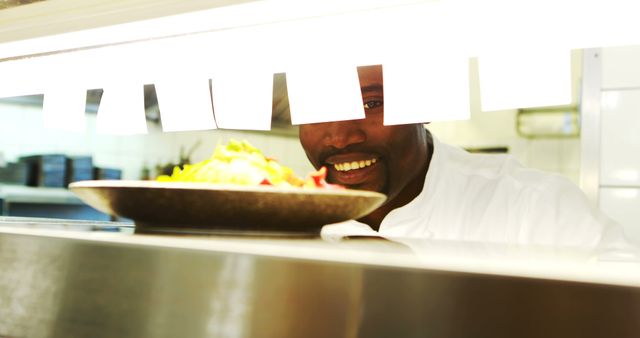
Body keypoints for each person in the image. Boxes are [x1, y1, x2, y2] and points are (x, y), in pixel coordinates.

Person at [298, 64, 631, 250]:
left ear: (422, 105)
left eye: (372, 104)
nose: (340, 136)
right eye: (315, 110)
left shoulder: (534, 207)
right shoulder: (282, 213)